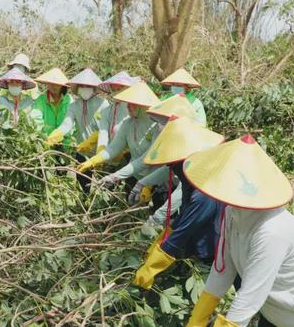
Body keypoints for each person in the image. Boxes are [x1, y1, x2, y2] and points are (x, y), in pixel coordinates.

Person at [185, 135, 294, 327]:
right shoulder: (232, 212)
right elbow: (223, 268)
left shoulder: (272, 230)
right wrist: (199, 316)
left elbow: (250, 296)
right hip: (275, 315)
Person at [131, 115, 225, 290]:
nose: (172, 170)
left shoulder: (204, 191)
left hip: (218, 251)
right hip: (203, 240)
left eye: (173, 165)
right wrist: (165, 235)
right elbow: (184, 216)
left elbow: (183, 230)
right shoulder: (191, 180)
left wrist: (152, 266)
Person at [130, 95, 201, 223]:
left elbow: (185, 186)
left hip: (200, 204)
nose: (160, 127)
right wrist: (143, 183)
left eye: (165, 122)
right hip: (187, 199)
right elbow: (169, 169)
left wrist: (159, 217)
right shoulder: (177, 143)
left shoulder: (194, 147)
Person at [77, 82, 161, 188]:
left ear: (144, 106)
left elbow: (147, 159)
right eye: (128, 103)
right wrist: (94, 160)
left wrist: (115, 176)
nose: (128, 107)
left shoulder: (157, 126)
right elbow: (114, 148)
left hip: (156, 178)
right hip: (134, 174)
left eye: (133, 104)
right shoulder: (128, 123)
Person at [96, 71, 138, 153]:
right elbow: (103, 133)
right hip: (112, 152)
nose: (117, 92)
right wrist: (101, 149)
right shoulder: (107, 111)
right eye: (115, 90)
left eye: (120, 89)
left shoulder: (136, 109)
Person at [32, 68, 72, 140]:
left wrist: (63, 136)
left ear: (62, 85)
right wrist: (43, 136)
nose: (53, 86)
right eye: (50, 83)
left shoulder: (69, 100)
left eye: (56, 84)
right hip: (46, 140)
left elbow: (71, 122)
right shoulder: (41, 100)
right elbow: (35, 119)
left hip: (66, 141)